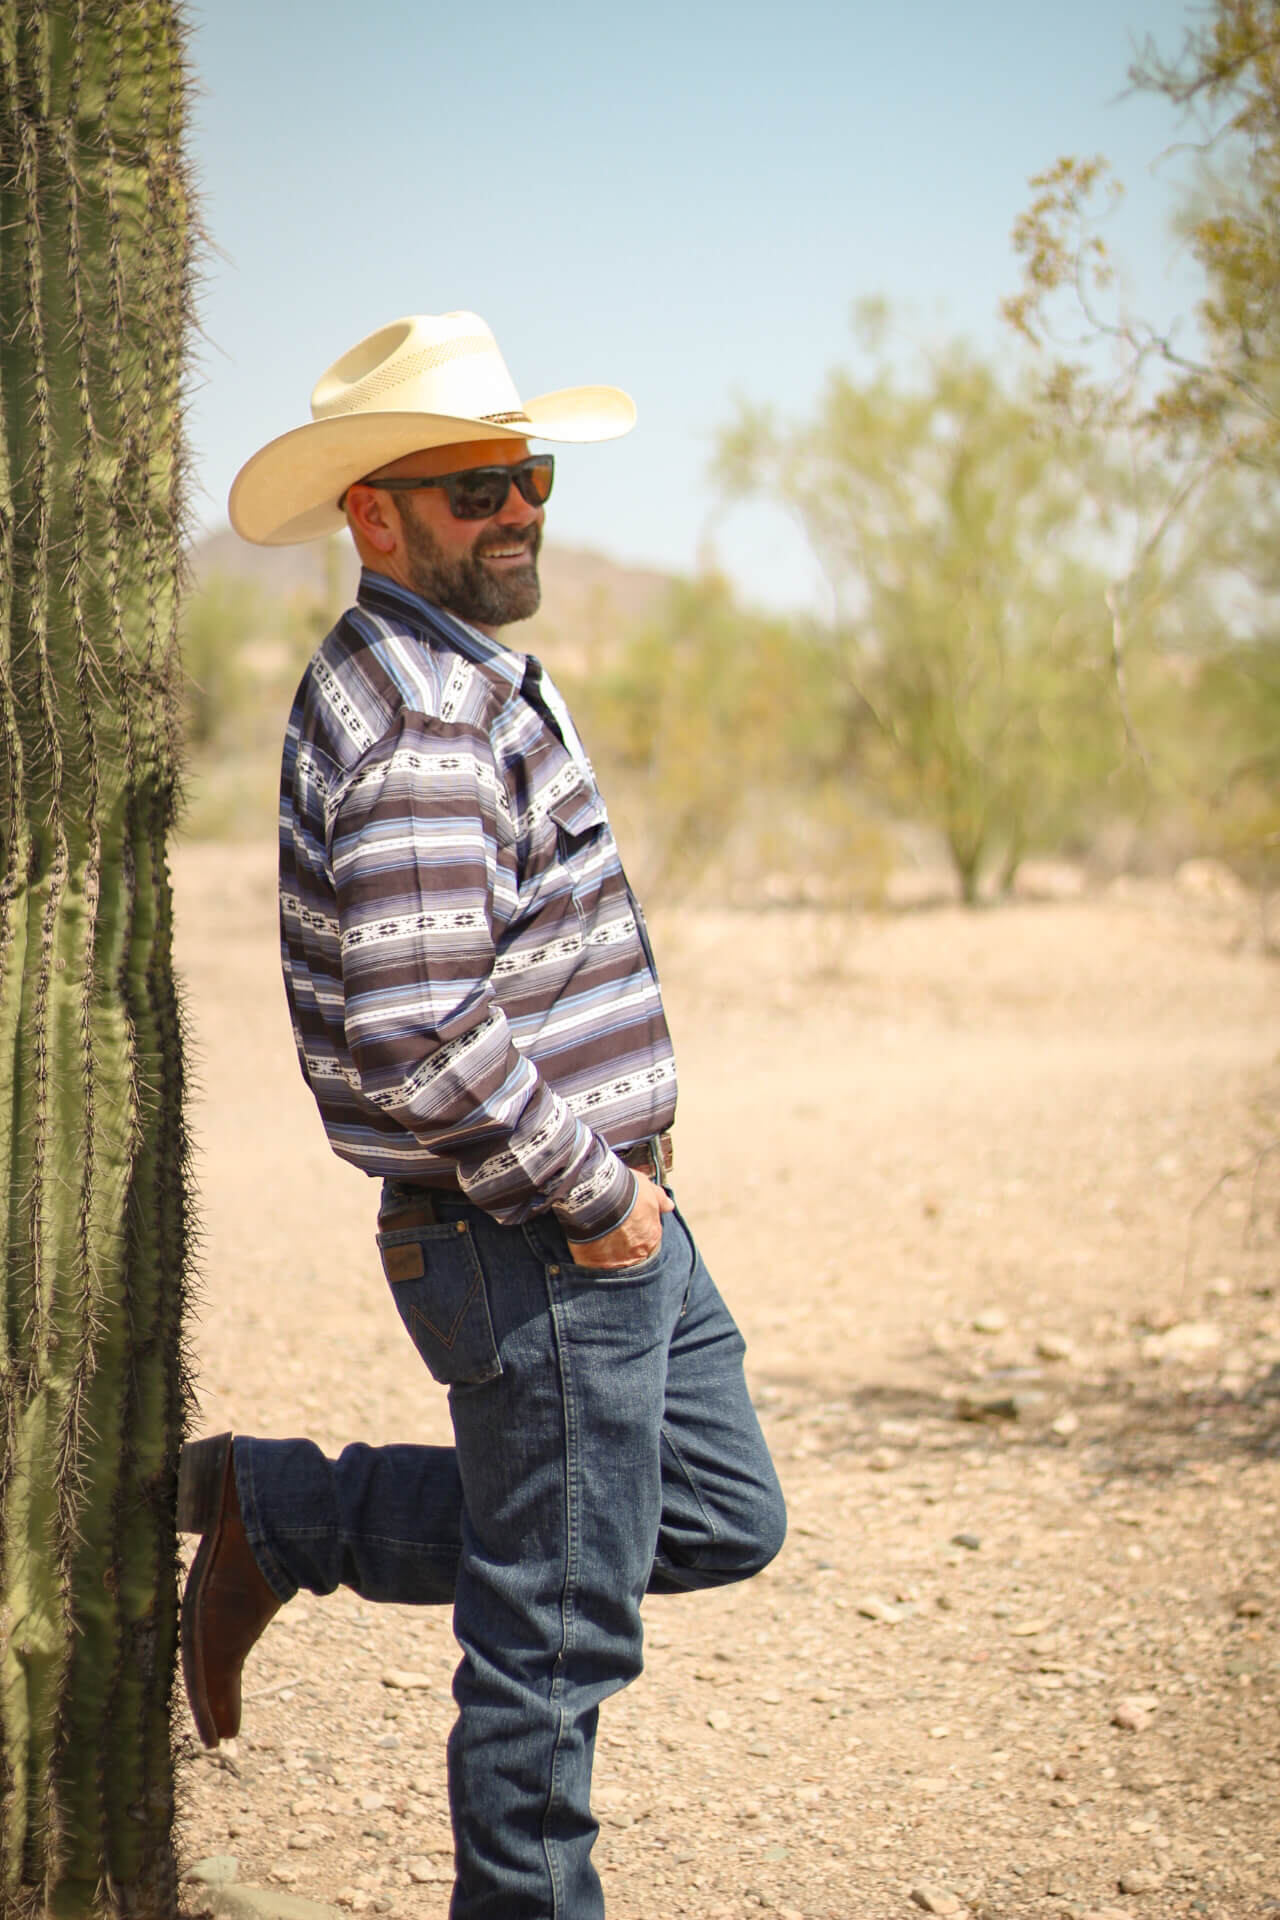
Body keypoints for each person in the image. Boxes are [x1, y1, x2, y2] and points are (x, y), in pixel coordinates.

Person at [179, 311, 786, 1920]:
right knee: (550, 1647)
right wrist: (597, 1195)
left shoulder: (449, 670)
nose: (514, 510)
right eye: (469, 488)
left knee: (715, 1516)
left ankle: (288, 1508)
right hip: (542, 1234)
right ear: (374, 516)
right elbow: (421, 1034)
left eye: (528, 474)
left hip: (590, 1219)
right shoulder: (426, 723)